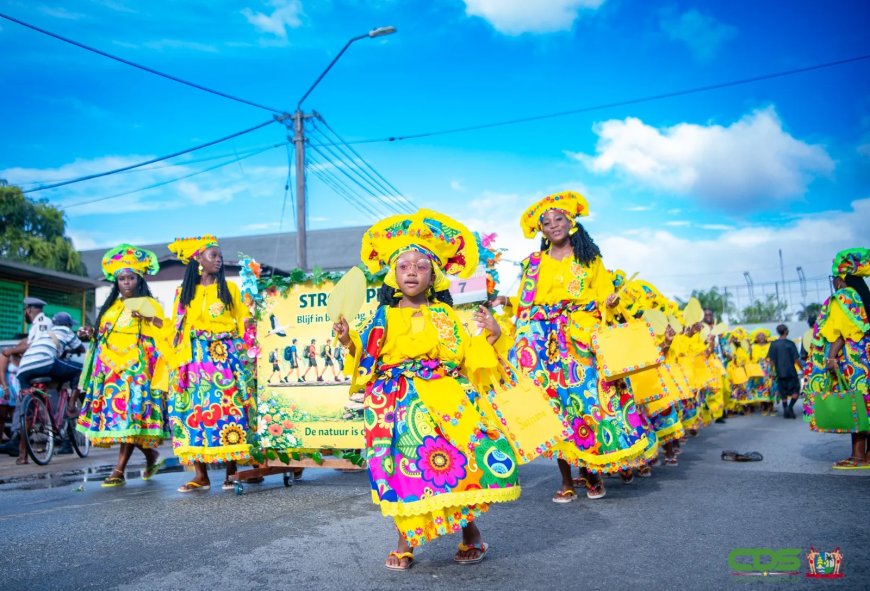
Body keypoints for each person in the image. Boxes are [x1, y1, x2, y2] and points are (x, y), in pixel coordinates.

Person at [332, 209, 520, 570]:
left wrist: (492, 333)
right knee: (402, 470)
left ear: (434, 275)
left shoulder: (445, 316)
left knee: (457, 466)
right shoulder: (382, 317)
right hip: (395, 405)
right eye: (404, 266)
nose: (412, 271)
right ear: (393, 274)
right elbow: (366, 358)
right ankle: (405, 539)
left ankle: (470, 532)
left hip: (444, 400)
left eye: (421, 265)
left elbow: (468, 357)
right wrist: (348, 341)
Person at [501, 191, 648, 502]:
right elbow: (527, 304)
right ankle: (566, 479)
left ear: (571, 222)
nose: (553, 225)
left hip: (579, 342)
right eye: (546, 222)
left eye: (559, 219)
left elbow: (605, 294)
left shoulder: (589, 259)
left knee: (585, 406)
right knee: (554, 408)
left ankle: (592, 472)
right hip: (543, 345)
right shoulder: (534, 264)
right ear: (540, 230)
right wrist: (506, 302)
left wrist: (609, 301)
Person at [166, 235, 255, 492]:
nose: (219, 259)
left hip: (222, 357)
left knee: (228, 409)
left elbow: (244, 324)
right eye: (212, 255)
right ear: (198, 260)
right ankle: (200, 475)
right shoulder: (183, 293)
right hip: (192, 360)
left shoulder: (230, 290)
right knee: (192, 412)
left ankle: (232, 470)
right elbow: (176, 328)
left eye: (219, 255)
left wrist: (248, 354)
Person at [76, 245, 170, 486]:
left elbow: (163, 330)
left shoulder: (148, 303)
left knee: (129, 419)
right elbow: (102, 336)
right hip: (109, 372)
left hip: (136, 371)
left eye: (130, 278)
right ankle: (151, 455)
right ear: (116, 281)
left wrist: (147, 317)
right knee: (118, 421)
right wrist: (89, 333)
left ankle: (118, 470)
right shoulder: (111, 308)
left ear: (138, 280)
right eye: (121, 278)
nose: (126, 282)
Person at [803, 248, 870, 469]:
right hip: (866, 360)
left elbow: (842, 332)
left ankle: (858, 457)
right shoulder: (863, 297)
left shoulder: (843, 297)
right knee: (867, 406)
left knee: (854, 403)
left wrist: (831, 357)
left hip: (852, 362)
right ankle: (867, 456)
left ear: (840, 278)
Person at [0, 297, 54, 456]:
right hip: (42, 365)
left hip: (38, 365)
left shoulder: (42, 322)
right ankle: (22, 437)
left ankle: (18, 438)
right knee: (31, 402)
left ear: (29, 310)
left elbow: (35, 345)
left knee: (23, 400)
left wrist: (11, 352)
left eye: (25, 310)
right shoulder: (38, 324)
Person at [767, 324, 801, 419]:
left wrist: (772, 372)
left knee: (783, 391)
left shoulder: (774, 344)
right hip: (791, 372)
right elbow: (796, 360)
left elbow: (771, 361)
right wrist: (802, 368)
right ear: (786, 331)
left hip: (779, 372)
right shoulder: (791, 344)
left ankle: (785, 408)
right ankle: (790, 407)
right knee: (796, 390)